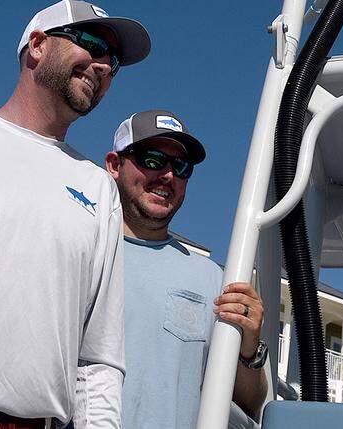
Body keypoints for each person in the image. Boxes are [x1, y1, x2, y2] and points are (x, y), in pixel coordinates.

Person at [0, 0, 151, 429]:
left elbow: (99, 356)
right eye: (92, 44)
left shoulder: (99, 188)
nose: (102, 66)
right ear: (36, 46)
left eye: (112, 60)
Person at [106, 110, 269, 429]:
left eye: (180, 167)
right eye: (153, 159)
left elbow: (249, 403)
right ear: (114, 165)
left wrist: (249, 350)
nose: (168, 176)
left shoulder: (214, 280)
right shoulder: (80, 251)